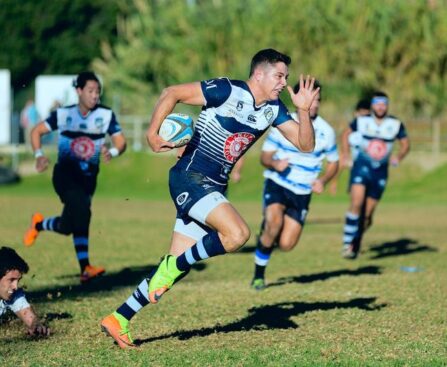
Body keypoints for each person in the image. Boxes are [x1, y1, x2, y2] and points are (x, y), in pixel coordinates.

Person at [100, 48, 320, 349]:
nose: (284, 82)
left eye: (286, 77)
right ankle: (172, 268)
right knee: (238, 233)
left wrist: (304, 111)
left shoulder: (274, 108)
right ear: (259, 74)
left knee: (176, 265)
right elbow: (172, 92)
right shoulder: (227, 90)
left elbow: (305, 145)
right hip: (189, 177)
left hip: (214, 186)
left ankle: (119, 318)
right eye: (279, 76)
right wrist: (152, 133)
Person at [23, 71, 127, 283]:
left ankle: (39, 225)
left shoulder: (106, 115)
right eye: (90, 91)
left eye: (98, 91)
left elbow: (121, 142)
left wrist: (113, 152)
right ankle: (85, 268)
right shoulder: (63, 114)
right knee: (82, 210)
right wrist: (39, 155)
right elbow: (36, 131)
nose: (95, 95)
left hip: (89, 178)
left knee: (68, 225)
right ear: (78, 91)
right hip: (65, 175)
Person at [250, 80, 339, 290]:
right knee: (273, 223)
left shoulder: (326, 131)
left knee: (287, 244)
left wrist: (323, 180)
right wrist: (274, 163)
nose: (314, 104)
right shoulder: (283, 122)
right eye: (311, 99)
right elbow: (264, 157)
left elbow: (335, 162)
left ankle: (267, 237)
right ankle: (258, 276)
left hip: (302, 191)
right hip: (278, 183)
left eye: (317, 99)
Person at [340, 92, 410, 259]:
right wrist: (345, 155)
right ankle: (348, 243)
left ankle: (355, 241)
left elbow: (405, 144)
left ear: (387, 105)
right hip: (361, 167)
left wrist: (398, 156)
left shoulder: (395, 124)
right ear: (372, 105)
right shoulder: (362, 121)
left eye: (383, 104)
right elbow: (345, 135)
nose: (380, 107)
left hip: (380, 172)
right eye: (377, 104)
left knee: (367, 215)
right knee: (356, 203)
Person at [0, 246, 50, 336]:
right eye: (11, 280)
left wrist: (36, 326)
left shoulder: (13, 294)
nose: (15, 286)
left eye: (18, 281)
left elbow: (30, 318)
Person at [328, 99, 370, 195]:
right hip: (353, 157)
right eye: (362, 113)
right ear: (357, 112)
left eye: (366, 114)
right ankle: (334, 184)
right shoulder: (354, 128)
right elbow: (344, 136)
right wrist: (346, 153)